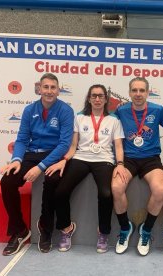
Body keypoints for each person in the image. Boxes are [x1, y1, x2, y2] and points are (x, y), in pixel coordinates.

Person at [45, 84, 126, 253]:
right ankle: (66, 229)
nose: (97, 99)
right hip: (81, 158)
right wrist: (65, 160)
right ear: (89, 98)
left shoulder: (114, 120)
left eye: (101, 96)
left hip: (104, 159)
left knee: (106, 193)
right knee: (60, 192)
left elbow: (118, 146)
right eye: (94, 96)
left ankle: (103, 232)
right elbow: (73, 145)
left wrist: (120, 164)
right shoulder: (79, 118)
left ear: (106, 99)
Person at [0, 73, 74, 256]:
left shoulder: (65, 110)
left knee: (52, 181)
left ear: (58, 90)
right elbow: (22, 139)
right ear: (39, 89)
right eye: (46, 87)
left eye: (53, 87)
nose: (49, 91)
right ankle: (20, 230)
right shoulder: (29, 110)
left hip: (54, 155)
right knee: (7, 182)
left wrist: (40, 167)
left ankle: (46, 229)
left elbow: (64, 144)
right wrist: (17, 160)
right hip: (31, 153)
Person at [112, 77, 163, 256]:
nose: (138, 94)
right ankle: (125, 228)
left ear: (147, 92)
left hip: (151, 158)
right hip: (128, 158)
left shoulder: (158, 110)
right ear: (129, 92)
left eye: (142, 90)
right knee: (116, 187)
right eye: (134, 90)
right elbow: (99, 116)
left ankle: (146, 229)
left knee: (160, 190)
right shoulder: (120, 111)